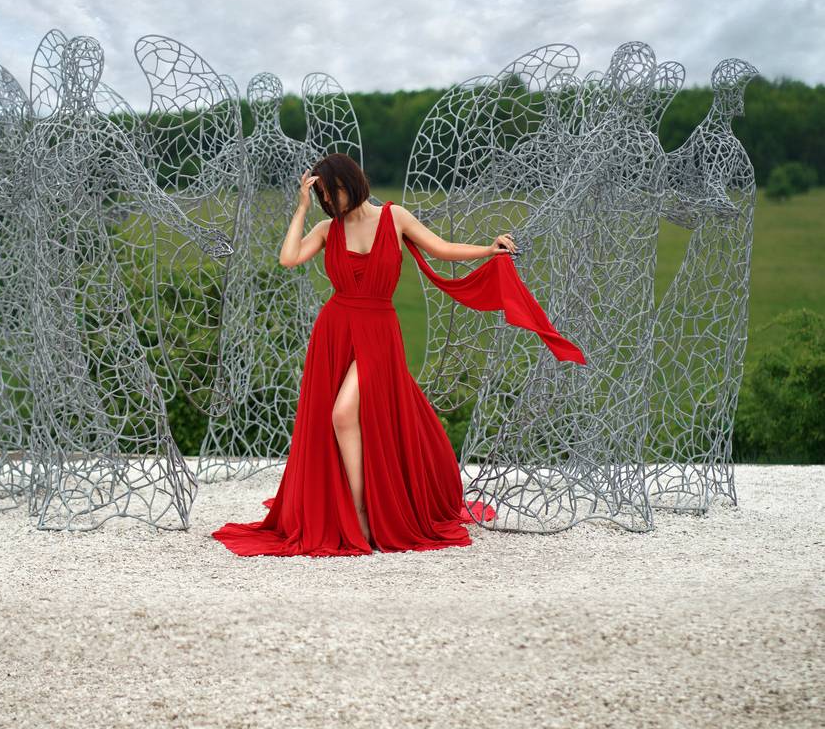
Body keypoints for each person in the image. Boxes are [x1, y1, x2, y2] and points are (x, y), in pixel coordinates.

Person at [211, 154, 585, 557]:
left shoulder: (395, 218)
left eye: (331, 192)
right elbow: (288, 258)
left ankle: (364, 511)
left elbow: (441, 249)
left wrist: (487, 250)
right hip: (335, 330)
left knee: (344, 413)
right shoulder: (326, 229)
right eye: (322, 197)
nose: (328, 201)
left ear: (350, 184)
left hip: (378, 332)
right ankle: (358, 510)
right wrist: (302, 207)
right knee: (343, 416)